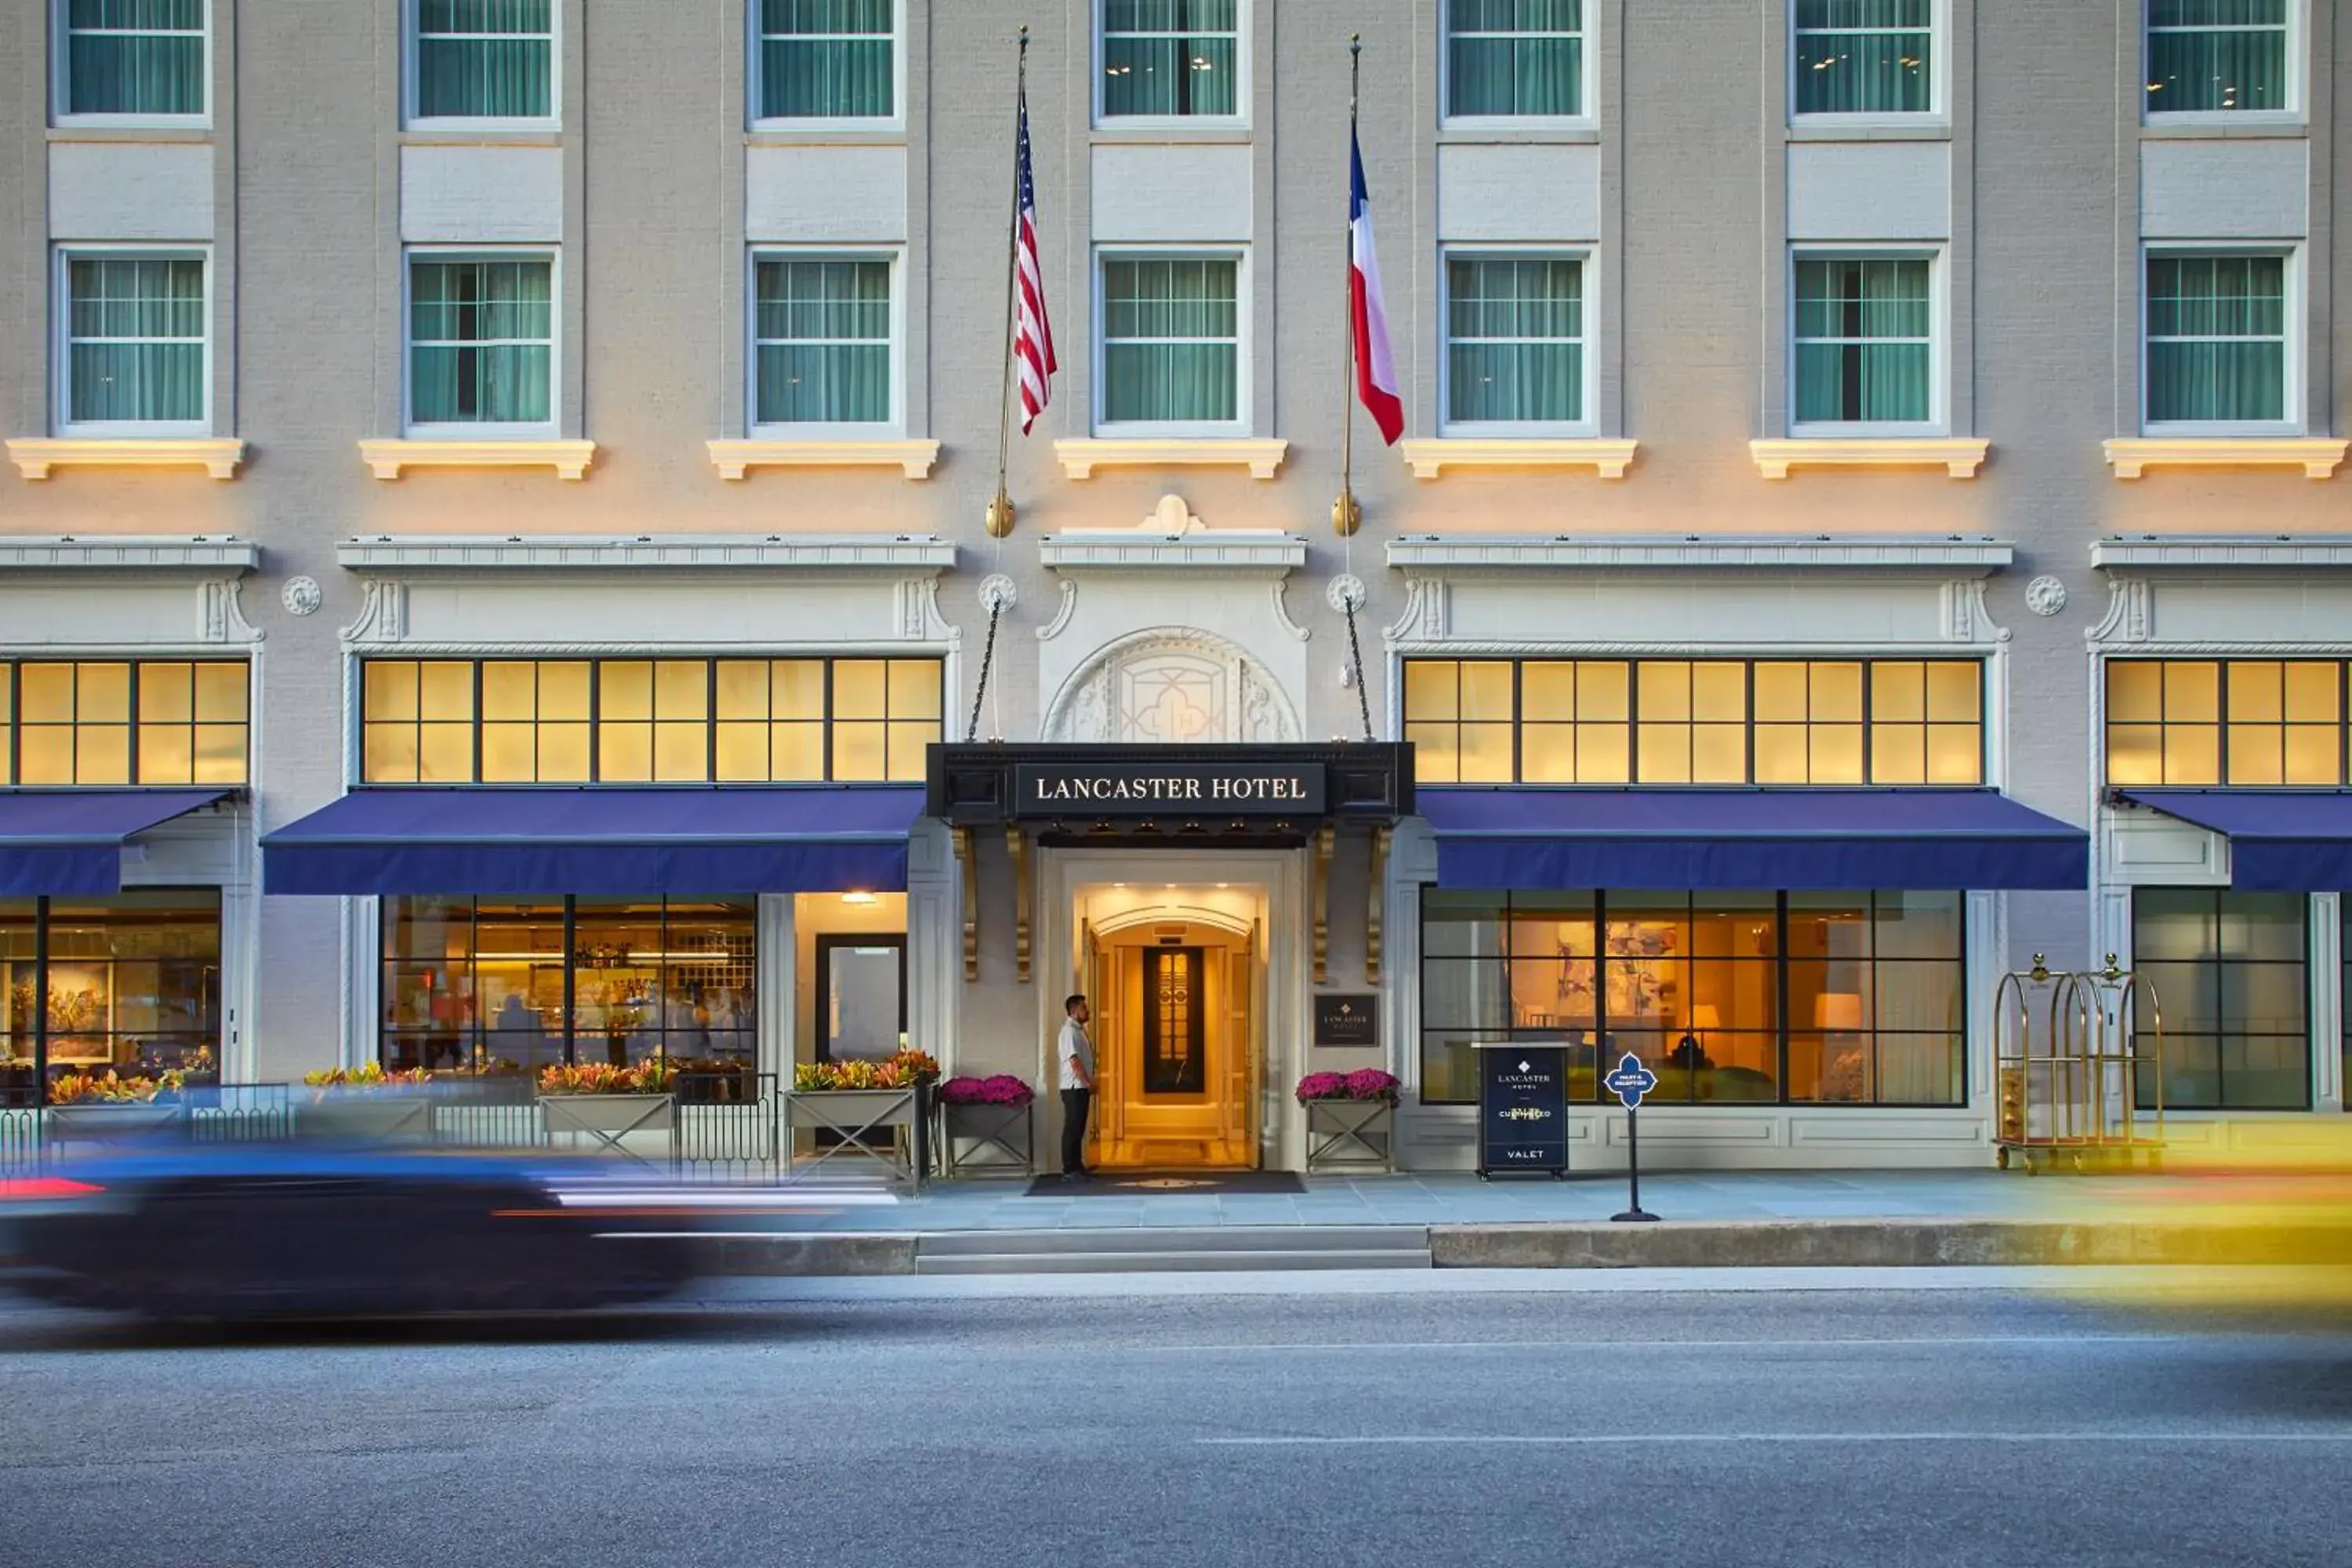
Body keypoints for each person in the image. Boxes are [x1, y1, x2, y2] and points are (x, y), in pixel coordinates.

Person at [1057, 993, 1095, 1182]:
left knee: (1079, 1128)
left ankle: (1078, 1165)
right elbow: (1074, 1060)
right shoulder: (1069, 1032)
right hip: (1073, 1086)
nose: (1086, 1010)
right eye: (1083, 1008)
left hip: (1081, 1086)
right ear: (1073, 1011)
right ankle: (1069, 1169)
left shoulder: (1079, 1030)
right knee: (1072, 1128)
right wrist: (1087, 1082)